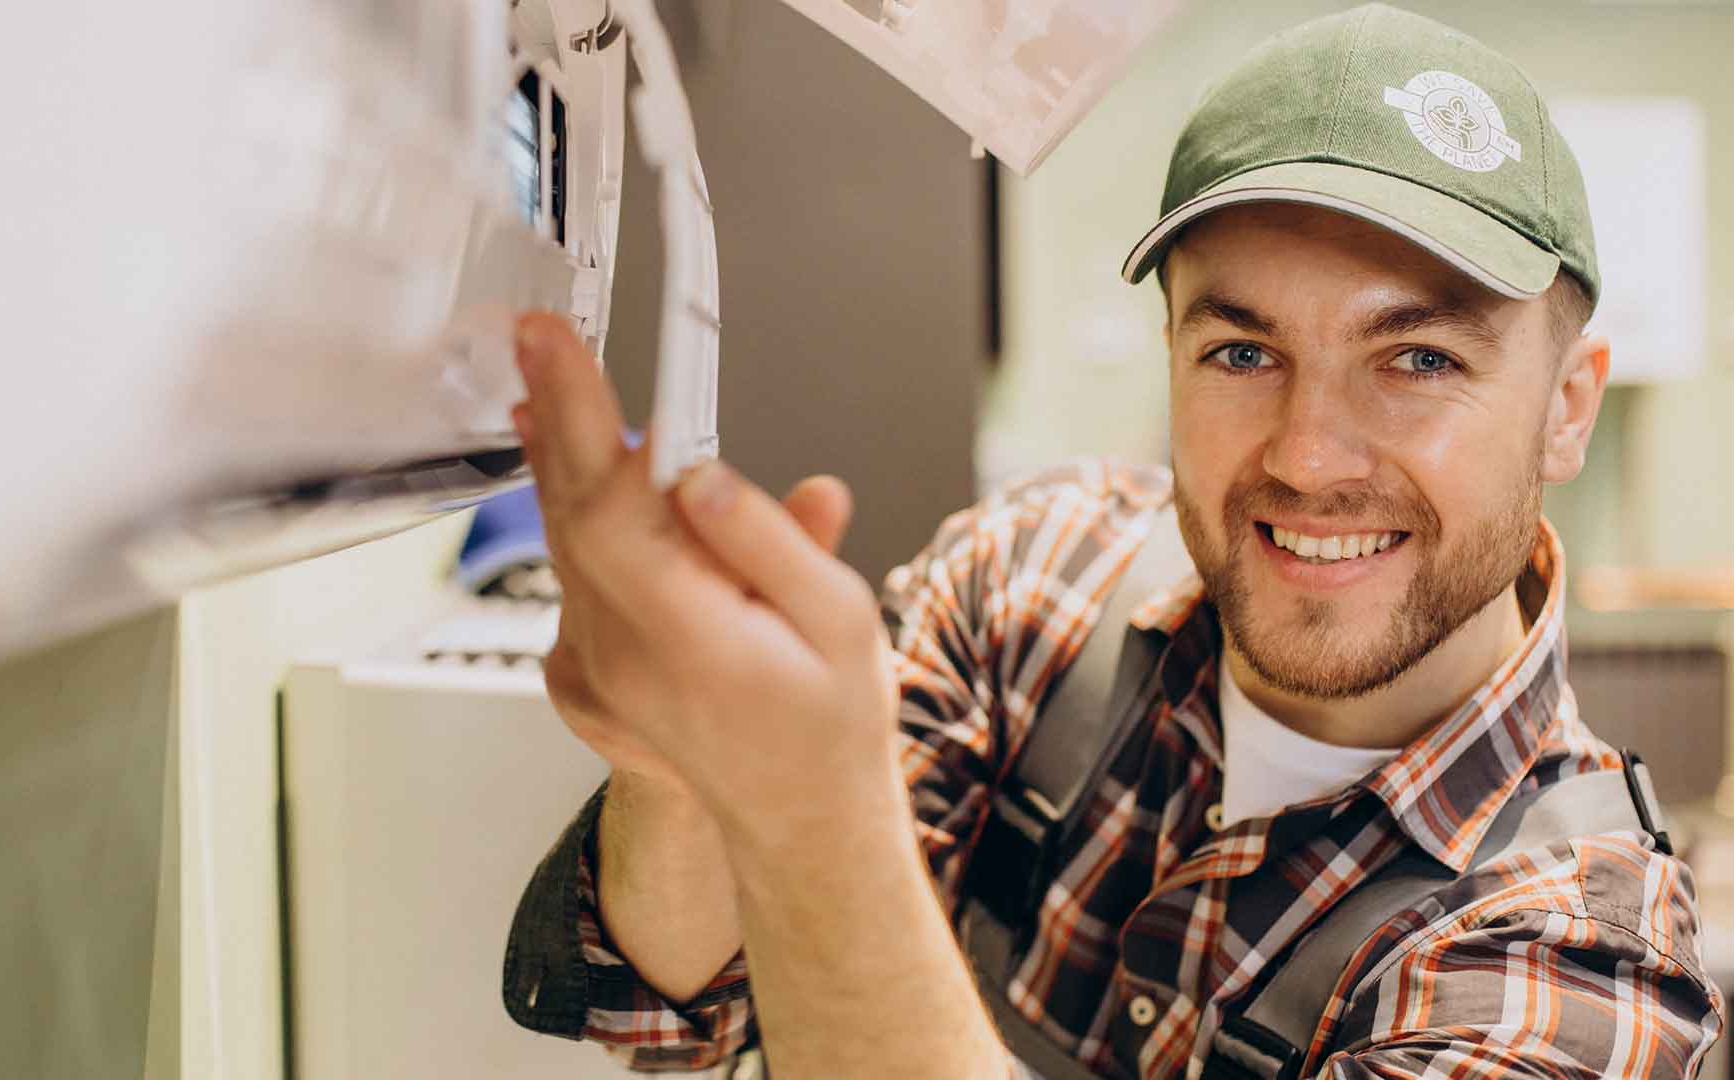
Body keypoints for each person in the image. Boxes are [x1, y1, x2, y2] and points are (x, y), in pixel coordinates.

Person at [500, 5, 1724, 1076]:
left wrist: (816, 815)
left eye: (1418, 360)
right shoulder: (1035, 581)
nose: (1306, 456)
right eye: (1242, 353)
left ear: (1567, 407)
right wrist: (683, 766)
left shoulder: (1575, 964)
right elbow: (668, 1009)